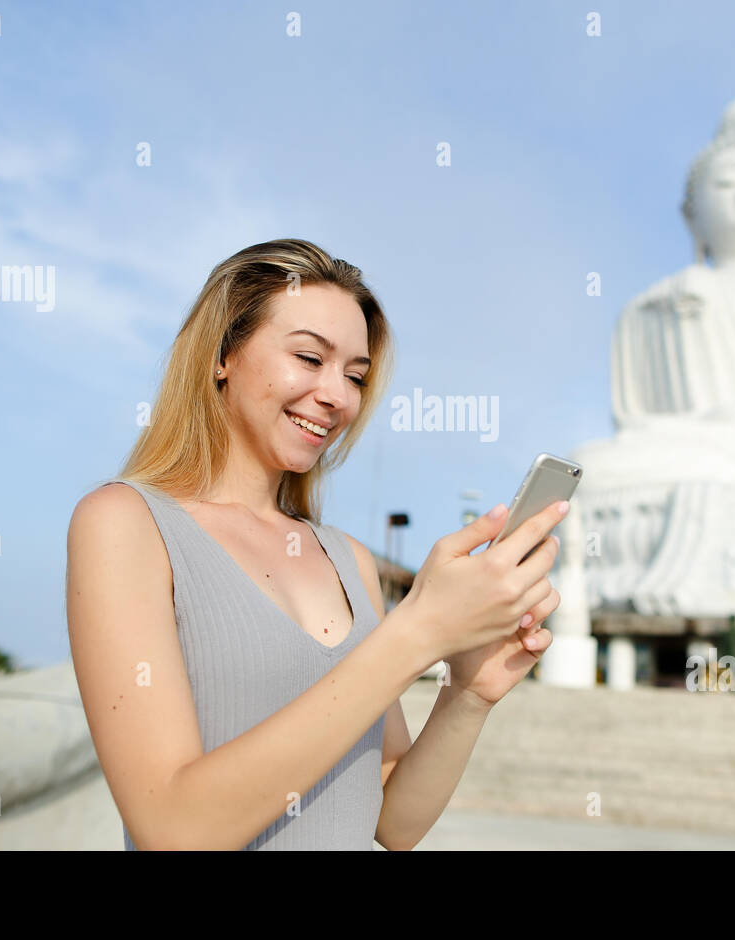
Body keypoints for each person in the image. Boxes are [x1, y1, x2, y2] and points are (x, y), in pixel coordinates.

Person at [66, 239, 567, 850]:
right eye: (309, 357)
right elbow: (172, 829)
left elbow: (395, 823)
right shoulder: (126, 523)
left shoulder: (348, 560)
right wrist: (417, 633)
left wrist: (468, 692)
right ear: (222, 353)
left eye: (355, 375)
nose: (337, 396)